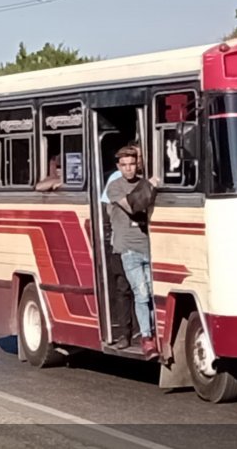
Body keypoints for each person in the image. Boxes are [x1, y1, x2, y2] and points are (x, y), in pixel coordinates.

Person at [105, 146, 158, 360]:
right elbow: (133, 206)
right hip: (127, 249)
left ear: (137, 164)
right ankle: (146, 338)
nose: (128, 169)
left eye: (132, 164)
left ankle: (154, 333)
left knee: (153, 294)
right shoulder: (114, 187)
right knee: (140, 293)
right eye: (124, 165)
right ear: (118, 167)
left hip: (149, 247)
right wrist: (150, 184)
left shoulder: (143, 182)